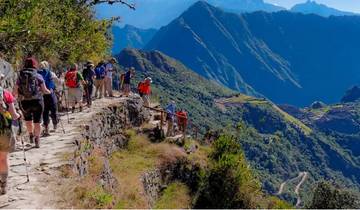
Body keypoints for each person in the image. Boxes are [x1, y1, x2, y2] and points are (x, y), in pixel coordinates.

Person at [13, 57, 51, 148]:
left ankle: (30, 134)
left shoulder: (20, 76)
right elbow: (44, 90)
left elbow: (15, 91)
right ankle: (37, 139)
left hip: (24, 102)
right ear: (35, 65)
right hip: (37, 101)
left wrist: (15, 97)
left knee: (28, 120)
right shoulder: (38, 76)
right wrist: (49, 92)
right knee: (37, 121)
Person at [0, 84, 21, 195]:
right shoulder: (6, 94)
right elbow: (13, 115)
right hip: (4, 131)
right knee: (3, 159)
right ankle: (3, 183)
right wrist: (18, 115)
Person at [38, 61, 58, 136]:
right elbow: (56, 82)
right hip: (50, 94)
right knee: (54, 110)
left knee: (45, 112)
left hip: (42, 95)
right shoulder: (50, 73)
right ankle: (55, 124)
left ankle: (47, 129)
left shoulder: (37, 73)